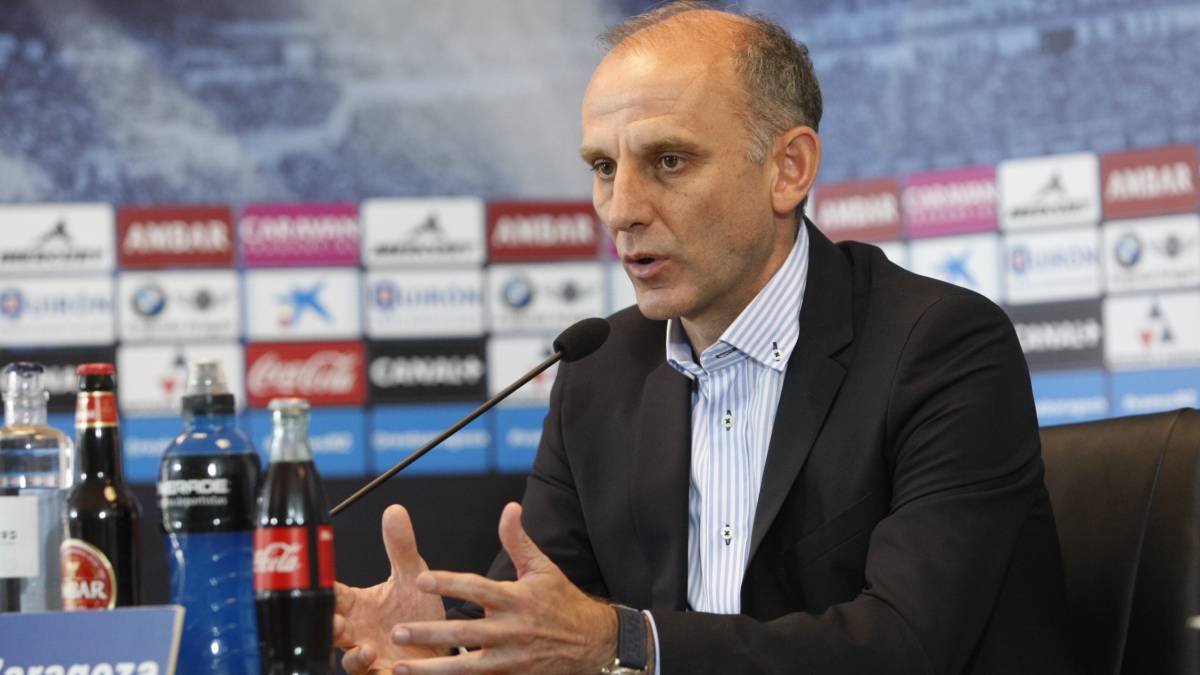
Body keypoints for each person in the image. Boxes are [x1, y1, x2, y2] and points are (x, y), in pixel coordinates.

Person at [334, 3, 1077, 673]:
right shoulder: (601, 372)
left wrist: (627, 642)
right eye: (602, 167)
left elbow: (906, 645)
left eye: (669, 160)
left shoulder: (940, 348)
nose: (621, 209)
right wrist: (446, 641)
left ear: (788, 170)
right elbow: (542, 616)